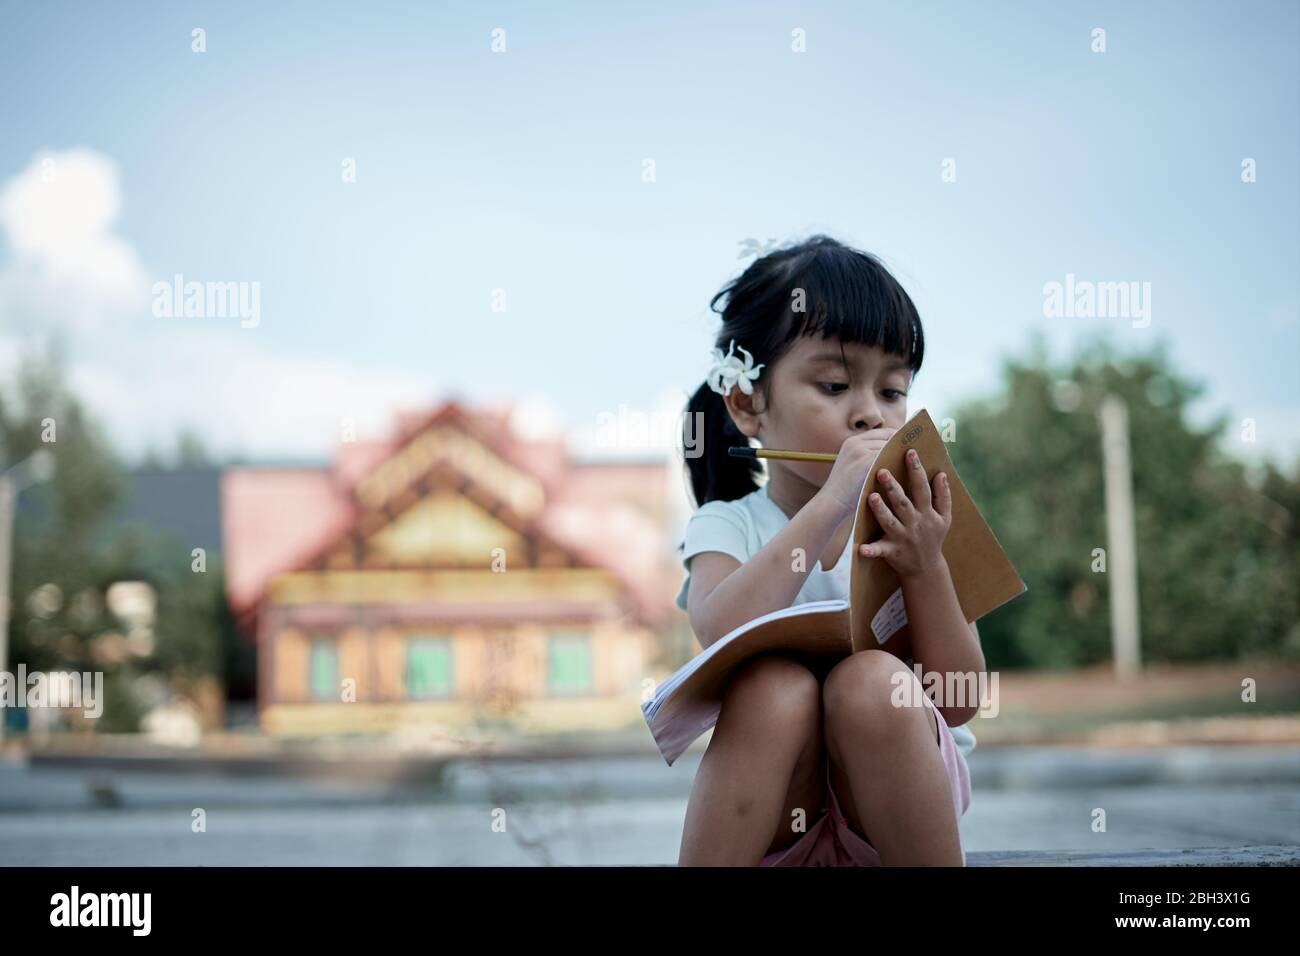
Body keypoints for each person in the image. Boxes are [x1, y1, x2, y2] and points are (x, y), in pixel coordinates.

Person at [675, 234, 979, 866]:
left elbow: (960, 697)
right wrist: (829, 505)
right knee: (772, 686)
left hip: (888, 818)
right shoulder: (727, 524)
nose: (870, 414)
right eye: (836, 385)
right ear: (747, 404)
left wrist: (925, 564)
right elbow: (719, 631)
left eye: (892, 391)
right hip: (777, 824)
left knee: (873, 684)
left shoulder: (913, 526)